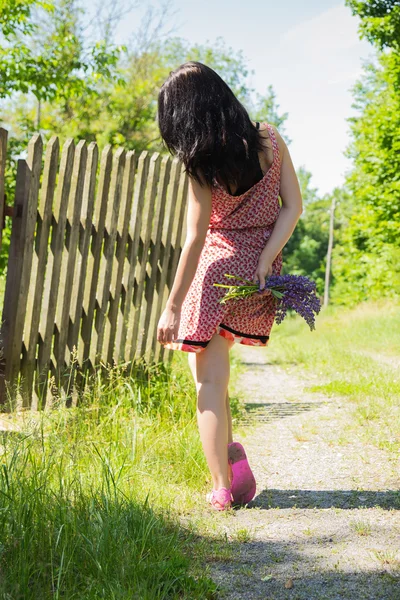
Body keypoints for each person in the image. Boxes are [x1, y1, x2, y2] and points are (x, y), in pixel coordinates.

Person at [156, 61, 303, 510]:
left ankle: (222, 485)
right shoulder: (270, 140)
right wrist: (264, 259)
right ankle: (233, 461)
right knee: (217, 381)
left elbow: (195, 237)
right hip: (257, 276)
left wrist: (173, 304)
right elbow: (292, 207)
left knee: (208, 383)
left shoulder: (200, 163)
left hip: (216, 273)